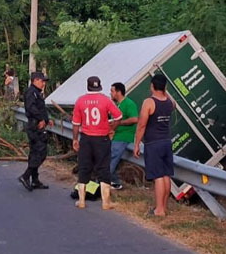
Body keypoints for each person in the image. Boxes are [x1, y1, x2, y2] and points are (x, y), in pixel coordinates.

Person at [72, 76, 123, 209]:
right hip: (102, 139)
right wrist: (112, 129)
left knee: (84, 168)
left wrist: (75, 139)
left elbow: (76, 124)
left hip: (86, 138)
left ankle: (81, 201)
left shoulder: (80, 101)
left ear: (87, 86)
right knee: (103, 168)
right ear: (99, 86)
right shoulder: (105, 100)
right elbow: (118, 116)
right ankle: (106, 202)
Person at [133, 74, 175, 217]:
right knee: (166, 175)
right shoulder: (170, 102)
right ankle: (164, 206)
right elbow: (171, 103)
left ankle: (159, 210)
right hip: (166, 142)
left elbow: (142, 125)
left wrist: (137, 143)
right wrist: (165, 91)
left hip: (153, 143)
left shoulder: (149, 102)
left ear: (152, 86)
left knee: (158, 176)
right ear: (165, 87)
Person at [20, 72, 52, 191]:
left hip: (37, 124)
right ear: (35, 80)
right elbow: (31, 108)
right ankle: (26, 176)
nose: (43, 83)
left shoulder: (36, 93)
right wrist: (41, 119)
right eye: (42, 81)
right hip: (35, 126)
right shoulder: (31, 92)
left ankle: (35, 180)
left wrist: (47, 120)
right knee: (40, 152)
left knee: (35, 152)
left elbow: (40, 108)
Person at [108, 83, 138, 190]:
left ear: (118, 92)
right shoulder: (117, 105)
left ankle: (102, 182)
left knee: (111, 158)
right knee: (111, 159)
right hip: (115, 136)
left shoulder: (129, 104)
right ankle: (115, 182)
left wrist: (119, 123)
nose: (110, 93)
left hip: (123, 136)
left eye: (112, 91)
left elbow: (134, 119)